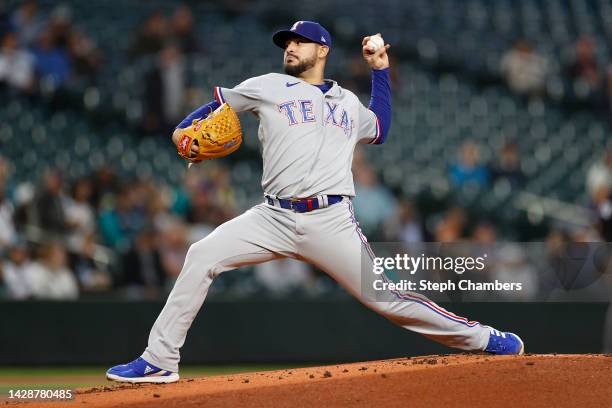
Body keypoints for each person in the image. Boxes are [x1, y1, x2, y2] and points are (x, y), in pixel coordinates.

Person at [107, 21, 524, 384]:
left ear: (322, 50)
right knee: (201, 255)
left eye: (299, 41)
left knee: (388, 300)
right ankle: (159, 360)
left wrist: (380, 71)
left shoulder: (347, 101)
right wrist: (182, 132)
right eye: (287, 42)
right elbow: (211, 108)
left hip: (331, 221)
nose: (290, 47)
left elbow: (380, 126)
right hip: (272, 216)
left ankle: (484, 338)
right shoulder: (266, 86)